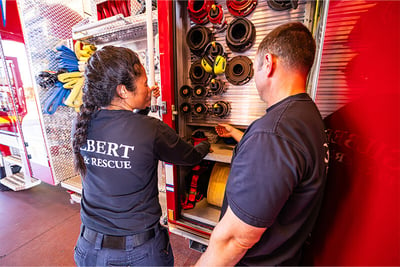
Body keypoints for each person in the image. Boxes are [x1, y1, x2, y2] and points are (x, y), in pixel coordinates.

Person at [195, 22, 329, 266]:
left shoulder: (273, 133)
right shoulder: (307, 117)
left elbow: (234, 240)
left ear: (268, 63)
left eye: (255, 67)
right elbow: (280, 161)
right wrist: (237, 132)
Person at [72, 45, 210, 266]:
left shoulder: (82, 123)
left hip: (89, 248)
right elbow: (190, 157)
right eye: (144, 83)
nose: (148, 89)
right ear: (123, 91)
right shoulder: (150, 129)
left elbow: (123, 132)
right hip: (137, 253)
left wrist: (141, 107)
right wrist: (207, 143)